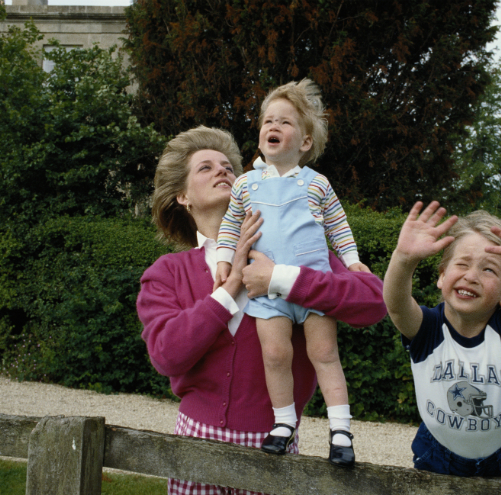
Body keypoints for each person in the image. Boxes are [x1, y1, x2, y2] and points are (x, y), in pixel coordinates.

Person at [137, 125, 386, 494]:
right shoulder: (167, 272)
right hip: (194, 445)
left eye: (228, 166)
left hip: (275, 452)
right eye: (205, 168)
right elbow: (167, 356)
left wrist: (282, 279)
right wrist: (233, 283)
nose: (222, 170)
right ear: (183, 197)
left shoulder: (303, 254)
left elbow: (373, 302)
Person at [214, 79, 368, 466]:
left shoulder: (317, 184)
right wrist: (224, 261)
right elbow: (231, 226)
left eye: (284, 122)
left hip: (314, 288)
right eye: (268, 121)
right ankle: (283, 424)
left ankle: (340, 429)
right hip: (267, 294)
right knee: (276, 355)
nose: (273, 127)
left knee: (324, 354)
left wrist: (351, 262)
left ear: (304, 143)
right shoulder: (246, 184)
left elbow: (338, 226)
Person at [383, 201, 501, 477]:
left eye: (489, 270)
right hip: (437, 452)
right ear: (441, 277)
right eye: (462, 264)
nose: (471, 276)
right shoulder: (428, 328)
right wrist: (403, 259)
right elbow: (396, 304)